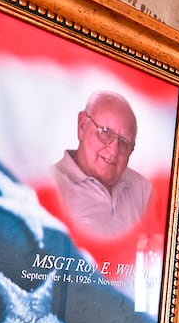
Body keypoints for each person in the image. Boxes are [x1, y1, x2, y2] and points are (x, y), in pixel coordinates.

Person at [52, 90, 153, 241]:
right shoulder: (50, 187)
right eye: (105, 132)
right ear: (82, 127)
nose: (113, 150)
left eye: (124, 143)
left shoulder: (143, 189)